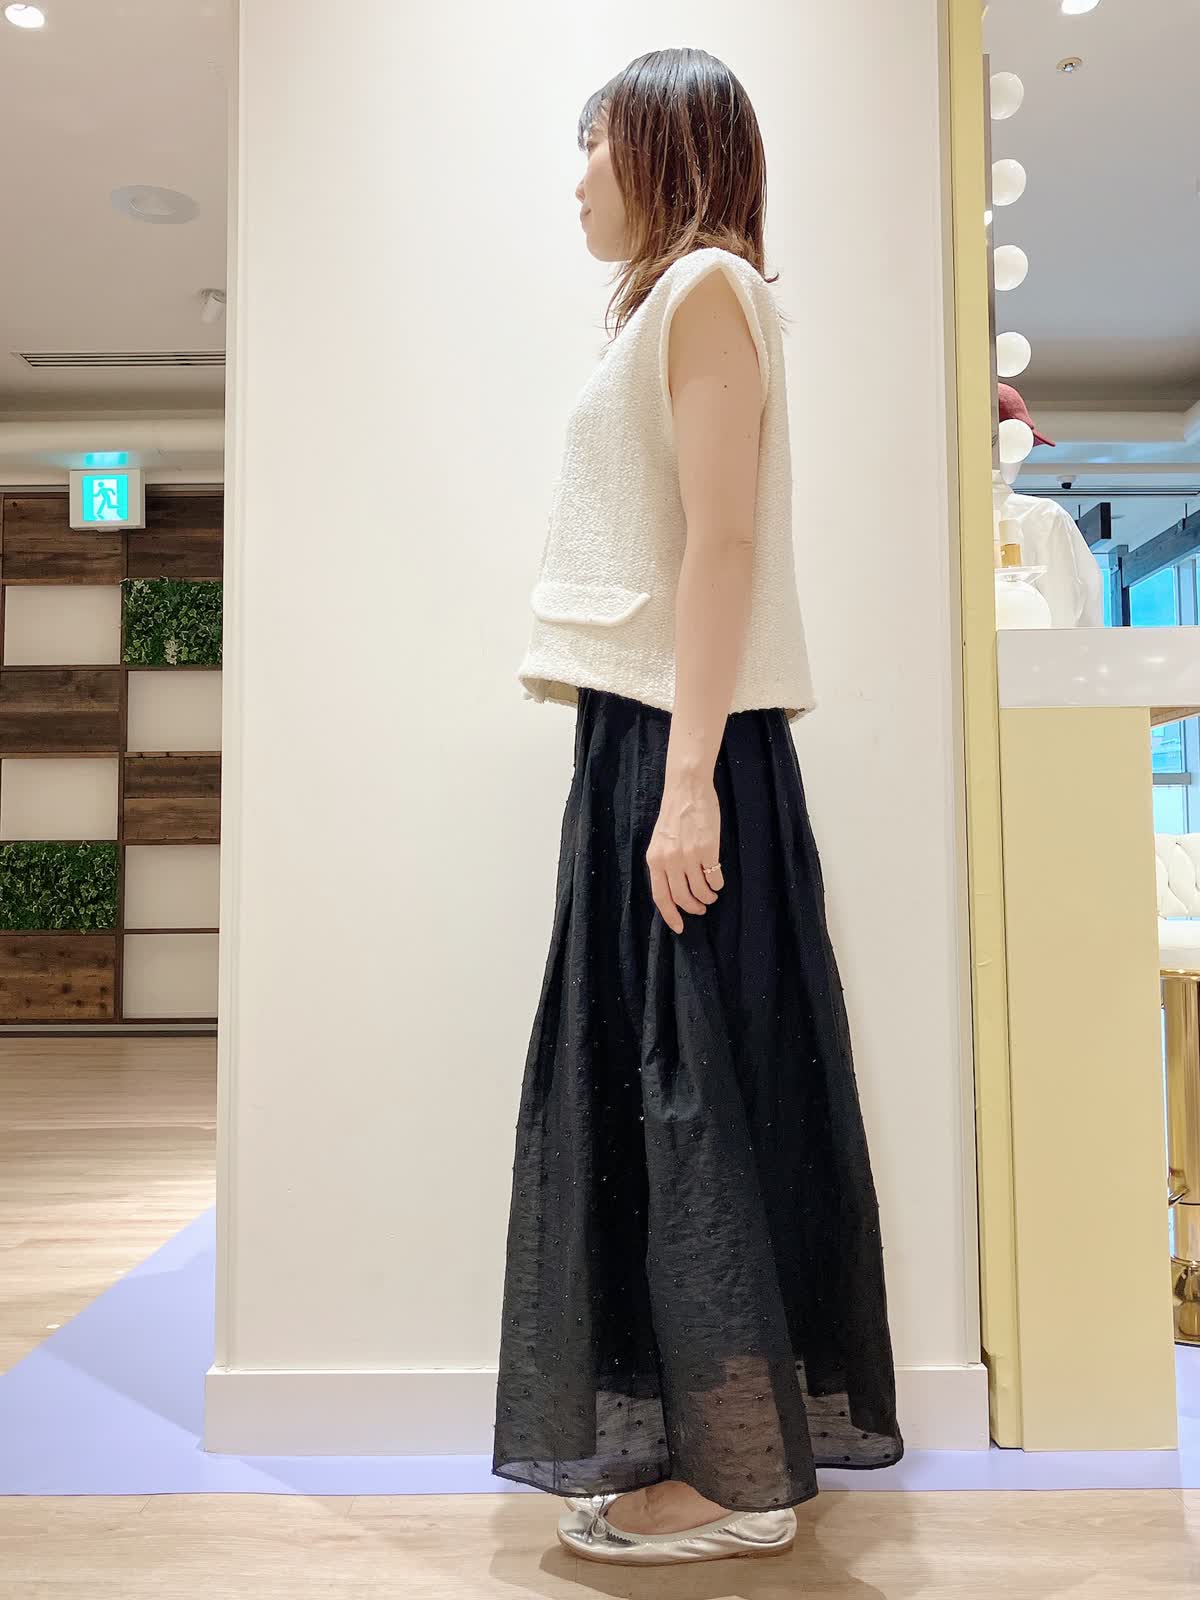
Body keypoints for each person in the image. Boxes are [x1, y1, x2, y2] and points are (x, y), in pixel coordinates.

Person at [492, 46, 904, 1568]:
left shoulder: (710, 289)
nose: (577, 180)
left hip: (687, 745)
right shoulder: (673, 304)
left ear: (662, 148)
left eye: (594, 144)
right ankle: (719, 1454)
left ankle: (741, 1485)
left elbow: (721, 545)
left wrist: (685, 785)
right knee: (665, 1102)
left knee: (698, 1103)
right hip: (650, 739)